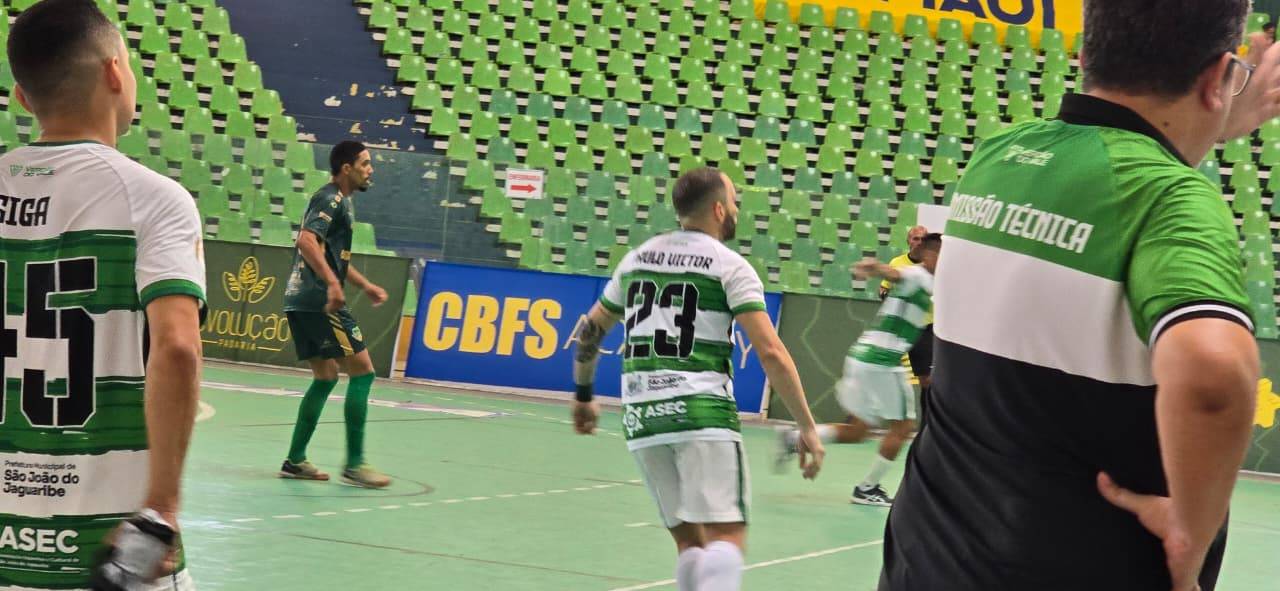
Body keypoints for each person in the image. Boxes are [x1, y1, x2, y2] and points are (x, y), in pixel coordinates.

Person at [881, 1, 1280, 589]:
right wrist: (1189, 533)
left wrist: (1217, 105)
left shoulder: (998, 157)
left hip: (928, 561)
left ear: (1086, 53)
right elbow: (1214, 375)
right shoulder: (1170, 199)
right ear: (1215, 78)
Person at [0, 0, 203, 588]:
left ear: (22, 97)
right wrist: (161, 508)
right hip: (109, 551)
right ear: (116, 72)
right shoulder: (156, 199)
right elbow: (178, 349)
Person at [571, 168, 825, 591]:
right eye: (736, 201)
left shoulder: (637, 258)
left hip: (642, 418)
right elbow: (770, 352)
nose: (738, 209)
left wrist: (583, 394)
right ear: (719, 208)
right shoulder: (730, 266)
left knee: (690, 543)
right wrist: (807, 426)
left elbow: (591, 331)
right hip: (701, 412)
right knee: (726, 536)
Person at [778, 235, 942, 507]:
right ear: (930, 255)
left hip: (862, 356)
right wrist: (876, 267)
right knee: (903, 427)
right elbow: (896, 274)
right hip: (883, 361)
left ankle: (793, 438)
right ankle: (868, 488)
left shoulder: (929, 280)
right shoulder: (918, 276)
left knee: (858, 430)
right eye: (943, 254)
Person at [278, 141, 392, 489]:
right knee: (364, 372)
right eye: (365, 163)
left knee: (326, 377)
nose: (370, 169)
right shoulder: (331, 199)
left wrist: (364, 285)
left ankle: (295, 460)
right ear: (347, 168)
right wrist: (331, 284)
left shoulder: (342, 203)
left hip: (299, 299)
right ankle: (355, 463)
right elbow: (306, 241)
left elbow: (333, 258)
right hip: (317, 301)